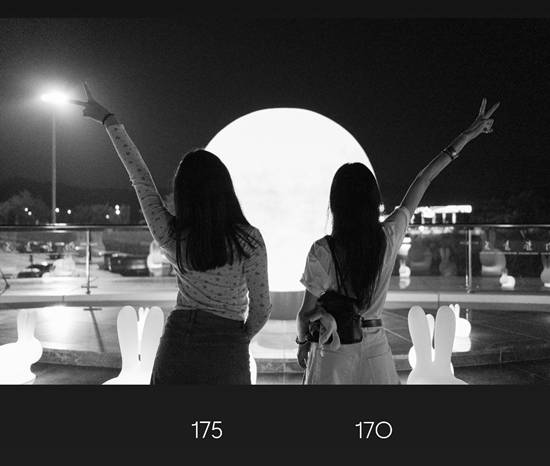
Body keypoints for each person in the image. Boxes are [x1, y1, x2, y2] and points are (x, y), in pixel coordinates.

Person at [72, 83, 271, 384]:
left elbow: (140, 178)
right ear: (225, 188)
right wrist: (239, 336)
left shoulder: (171, 235)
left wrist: (109, 120)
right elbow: (261, 307)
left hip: (180, 341)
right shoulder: (249, 240)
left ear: (183, 194)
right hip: (228, 344)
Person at [296, 98, 499, 384]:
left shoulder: (322, 251)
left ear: (336, 204)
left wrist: (302, 343)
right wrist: (466, 136)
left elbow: (305, 314)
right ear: (373, 201)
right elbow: (423, 180)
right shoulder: (389, 236)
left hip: (334, 349)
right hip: (376, 349)